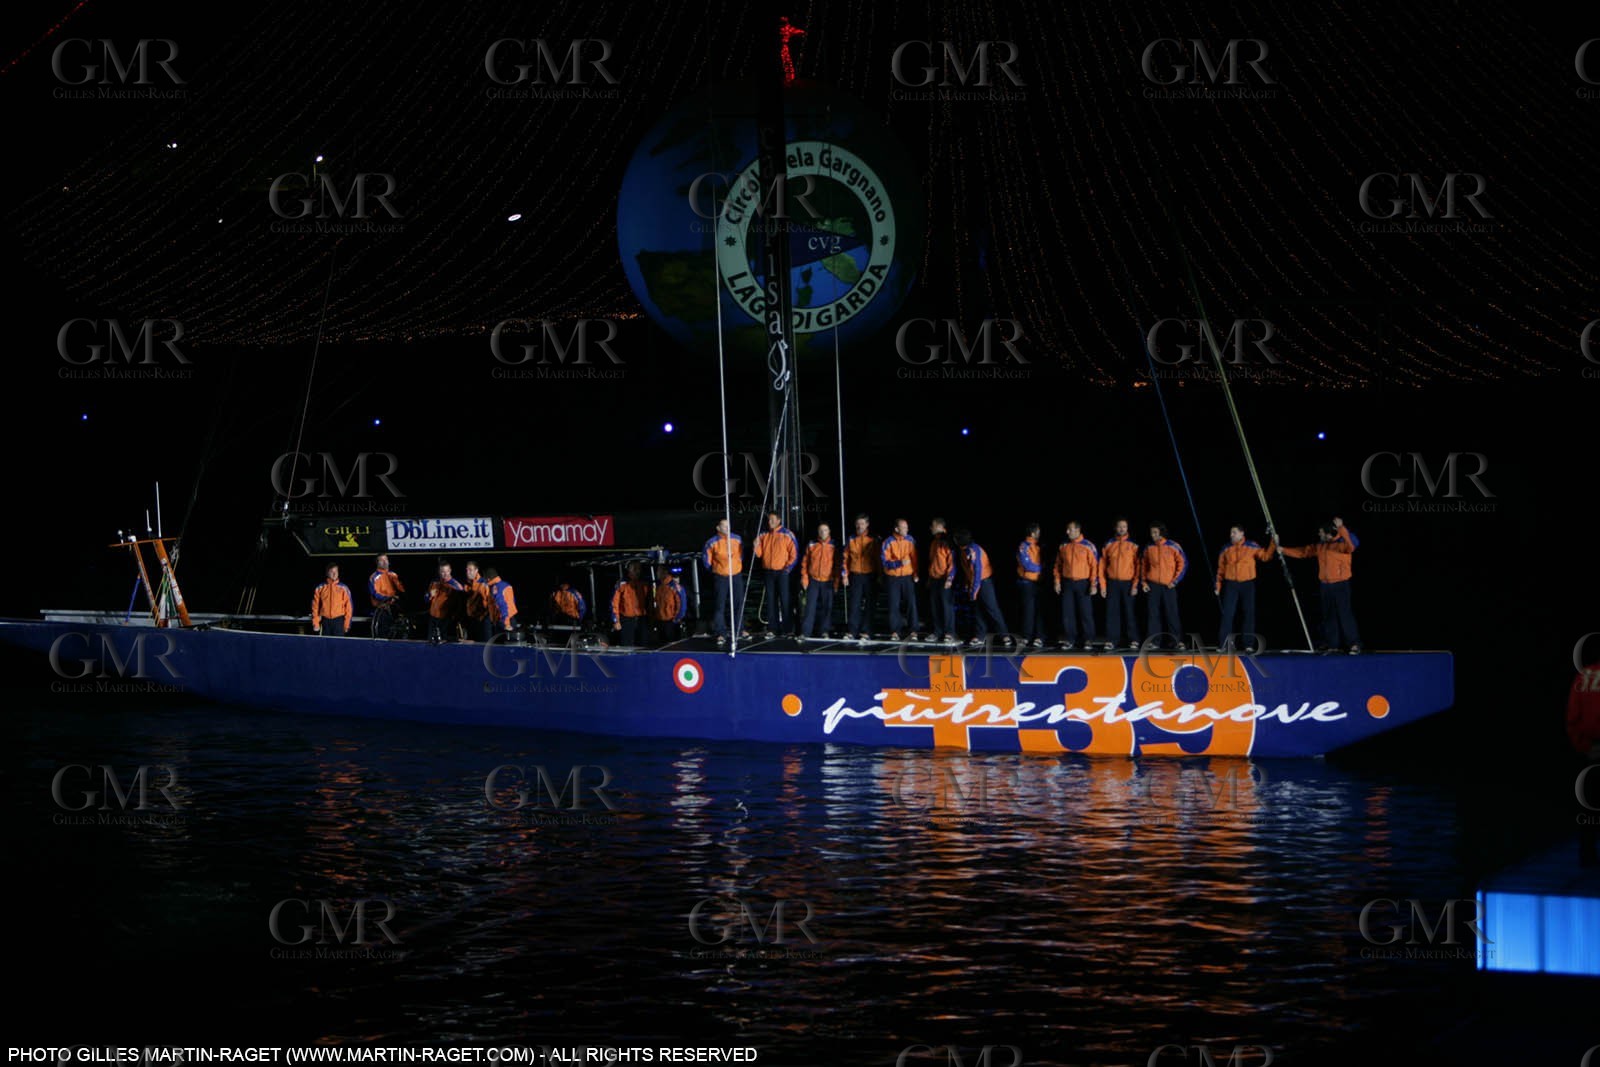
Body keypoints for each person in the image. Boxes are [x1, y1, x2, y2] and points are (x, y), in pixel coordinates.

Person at [1280, 517, 1361, 653]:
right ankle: (1332, 644)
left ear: (1329, 533)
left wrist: (1341, 528)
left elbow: (1351, 546)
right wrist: (1283, 550)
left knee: (1344, 614)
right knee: (1328, 615)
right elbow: (1303, 552)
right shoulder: (1321, 546)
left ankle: (1354, 643)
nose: (1319, 535)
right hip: (1326, 585)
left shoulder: (1341, 545)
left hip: (1341, 584)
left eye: (1321, 532)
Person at [1215, 525, 1276, 652]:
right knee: (1228, 614)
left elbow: (1265, 557)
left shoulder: (1251, 546)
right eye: (1231, 532)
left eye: (1234, 532)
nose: (1231, 535)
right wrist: (1218, 586)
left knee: (1248, 613)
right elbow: (1220, 569)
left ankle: (1248, 644)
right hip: (1231, 584)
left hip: (1247, 584)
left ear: (1242, 534)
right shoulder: (1226, 548)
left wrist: (1273, 543)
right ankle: (1224, 644)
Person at [954, 529, 1011, 647]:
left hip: (984, 581)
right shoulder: (963, 551)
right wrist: (967, 583)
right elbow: (967, 570)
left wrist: (974, 590)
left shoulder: (973, 550)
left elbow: (977, 571)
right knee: (978, 610)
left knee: (992, 608)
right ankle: (980, 636)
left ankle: (1005, 635)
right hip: (974, 581)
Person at [1053, 521, 1100, 650]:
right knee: (1067, 613)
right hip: (1067, 582)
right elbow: (1057, 565)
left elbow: (1095, 566)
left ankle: (1088, 640)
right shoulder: (1064, 545)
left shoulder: (1088, 546)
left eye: (1070, 530)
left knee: (1086, 613)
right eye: (1067, 530)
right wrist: (1057, 581)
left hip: (1083, 583)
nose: (1067, 532)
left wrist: (1093, 584)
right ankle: (1070, 639)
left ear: (1078, 530)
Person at [1140, 522, 1187, 650]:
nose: (1153, 535)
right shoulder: (1149, 547)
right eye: (1151, 533)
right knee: (1153, 615)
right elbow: (1143, 566)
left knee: (1172, 614)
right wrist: (1144, 582)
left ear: (1161, 532)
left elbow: (1183, 564)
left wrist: (1175, 581)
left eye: (1155, 532)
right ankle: (1154, 642)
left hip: (1168, 586)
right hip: (1153, 585)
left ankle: (1176, 641)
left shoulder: (1173, 546)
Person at [753, 511, 800, 636]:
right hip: (768, 572)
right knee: (771, 600)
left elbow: (794, 554)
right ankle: (772, 628)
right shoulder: (764, 535)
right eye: (769, 520)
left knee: (785, 600)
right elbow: (759, 554)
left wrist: (787, 569)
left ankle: (788, 629)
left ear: (779, 520)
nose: (770, 522)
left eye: (772, 519)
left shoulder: (787, 534)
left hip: (782, 572)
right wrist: (756, 545)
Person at [703, 518, 748, 645]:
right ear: (718, 528)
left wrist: (736, 566)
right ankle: (721, 632)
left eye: (728, 525)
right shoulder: (712, 542)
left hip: (736, 575)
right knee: (720, 605)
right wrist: (717, 570)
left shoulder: (737, 539)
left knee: (738, 603)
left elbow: (741, 555)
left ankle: (739, 629)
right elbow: (706, 560)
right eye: (724, 526)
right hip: (721, 577)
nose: (727, 528)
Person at [1099, 517, 1141, 650]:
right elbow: (1102, 565)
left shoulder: (1133, 545)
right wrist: (1103, 585)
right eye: (1119, 526)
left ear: (1127, 528)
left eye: (1124, 526)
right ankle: (1112, 640)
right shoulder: (1108, 544)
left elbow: (1138, 566)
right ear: (1115, 528)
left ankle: (1134, 639)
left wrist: (1135, 585)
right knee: (1112, 612)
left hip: (1128, 583)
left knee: (1130, 612)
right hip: (1112, 583)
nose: (1122, 528)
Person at [799, 523, 841, 639]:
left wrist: (836, 583)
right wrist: (804, 578)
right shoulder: (812, 544)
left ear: (829, 531)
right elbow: (805, 563)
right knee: (809, 607)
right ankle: (806, 631)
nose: (823, 532)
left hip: (828, 581)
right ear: (818, 532)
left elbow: (837, 565)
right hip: (813, 580)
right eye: (821, 530)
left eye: (825, 530)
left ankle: (824, 631)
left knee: (827, 607)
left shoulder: (834, 545)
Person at [881, 518, 921, 640]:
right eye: (903, 527)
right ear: (896, 529)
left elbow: (914, 558)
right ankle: (895, 631)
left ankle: (913, 631)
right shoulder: (888, 542)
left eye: (907, 527)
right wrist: (899, 563)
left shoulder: (910, 540)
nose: (906, 530)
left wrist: (915, 573)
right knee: (894, 605)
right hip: (893, 578)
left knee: (911, 604)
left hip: (908, 577)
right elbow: (885, 562)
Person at [843, 514, 879, 640]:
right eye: (858, 524)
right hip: (856, 575)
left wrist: (880, 576)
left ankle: (867, 631)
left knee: (870, 604)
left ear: (867, 524)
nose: (860, 526)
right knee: (854, 603)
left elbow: (878, 559)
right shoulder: (851, 539)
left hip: (870, 575)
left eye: (862, 523)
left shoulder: (873, 539)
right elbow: (845, 558)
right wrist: (845, 574)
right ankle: (852, 631)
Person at [926, 517, 957, 643]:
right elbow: (932, 561)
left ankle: (950, 632)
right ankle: (937, 632)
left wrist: (949, 578)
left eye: (933, 525)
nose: (930, 528)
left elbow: (952, 562)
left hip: (945, 579)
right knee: (935, 606)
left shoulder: (947, 541)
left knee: (946, 607)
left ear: (939, 526)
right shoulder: (934, 542)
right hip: (934, 579)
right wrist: (929, 577)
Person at [1015, 523, 1045, 648]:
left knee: (1039, 610)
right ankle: (1027, 636)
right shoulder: (1024, 546)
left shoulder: (1038, 547)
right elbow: (1027, 565)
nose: (1039, 533)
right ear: (1033, 533)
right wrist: (1042, 569)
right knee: (1029, 610)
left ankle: (1039, 637)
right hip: (1027, 582)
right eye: (1038, 531)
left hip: (1038, 582)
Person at [610, 562, 650, 647]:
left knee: (643, 645)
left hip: (641, 619)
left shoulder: (644, 583)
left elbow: (649, 602)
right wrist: (616, 620)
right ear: (629, 569)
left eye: (638, 568)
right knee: (627, 645)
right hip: (627, 619)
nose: (636, 571)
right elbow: (614, 603)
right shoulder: (622, 584)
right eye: (634, 568)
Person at [425, 561, 464, 643]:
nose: (445, 574)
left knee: (446, 643)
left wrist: (454, 616)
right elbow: (426, 599)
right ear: (439, 572)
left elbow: (460, 601)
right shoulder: (434, 583)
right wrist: (429, 595)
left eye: (447, 571)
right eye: (443, 572)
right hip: (433, 618)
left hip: (446, 619)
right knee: (430, 642)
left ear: (450, 571)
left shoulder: (455, 585)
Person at [368, 553, 405, 638]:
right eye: (382, 560)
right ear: (377, 563)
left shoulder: (393, 575)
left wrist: (397, 584)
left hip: (394, 608)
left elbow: (402, 590)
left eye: (386, 559)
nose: (385, 562)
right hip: (382, 609)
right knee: (384, 635)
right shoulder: (373, 577)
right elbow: (374, 593)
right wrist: (387, 598)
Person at [311, 563, 353, 636]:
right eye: (331, 572)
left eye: (336, 571)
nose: (334, 574)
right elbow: (315, 606)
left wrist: (347, 625)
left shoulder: (343, 588)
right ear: (327, 573)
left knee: (339, 645)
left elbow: (349, 607)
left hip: (339, 621)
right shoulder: (320, 587)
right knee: (325, 645)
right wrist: (315, 623)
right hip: (325, 621)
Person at [463, 560, 494, 642]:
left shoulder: (484, 584)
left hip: (484, 619)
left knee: (485, 645)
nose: (468, 572)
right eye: (466, 570)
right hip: (472, 619)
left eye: (470, 570)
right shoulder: (467, 584)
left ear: (476, 570)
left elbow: (490, 602)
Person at [483, 566, 517, 639]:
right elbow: (513, 601)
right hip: (511, 619)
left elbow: (502, 604)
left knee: (500, 647)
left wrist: (506, 624)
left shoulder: (495, 587)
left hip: (504, 621)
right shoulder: (506, 585)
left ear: (488, 578)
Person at [654, 569, 687, 643]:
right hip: (661, 621)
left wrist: (677, 618)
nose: (657, 573)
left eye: (659, 571)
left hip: (671, 621)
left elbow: (681, 604)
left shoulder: (674, 587)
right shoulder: (659, 586)